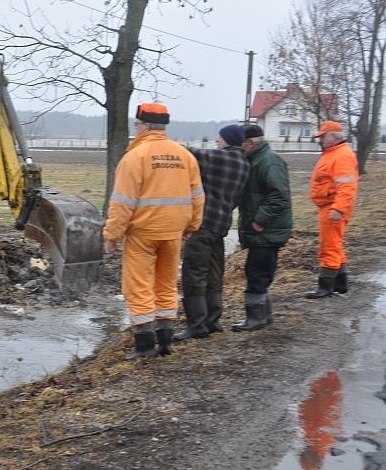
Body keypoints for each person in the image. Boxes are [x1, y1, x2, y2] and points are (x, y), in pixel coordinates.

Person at [103, 103, 204, 359]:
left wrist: (112, 235)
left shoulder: (135, 157)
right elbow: (198, 197)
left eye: (136, 125)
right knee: (166, 284)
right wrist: (191, 226)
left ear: (145, 126)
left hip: (143, 233)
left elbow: (122, 202)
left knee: (139, 287)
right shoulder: (185, 156)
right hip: (173, 232)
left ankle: (145, 346)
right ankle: (166, 341)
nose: (135, 129)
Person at [174, 125, 250, 341]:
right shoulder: (244, 164)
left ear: (227, 139)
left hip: (203, 223)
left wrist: (161, 144)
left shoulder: (219, 159)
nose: (217, 140)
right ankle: (212, 320)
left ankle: (196, 325)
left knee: (194, 272)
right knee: (215, 272)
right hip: (221, 224)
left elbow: (188, 153)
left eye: (220, 137)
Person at [232, 125, 293, 332]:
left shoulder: (268, 161)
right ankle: (263, 316)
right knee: (260, 271)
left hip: (266, 231)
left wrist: (260, 219)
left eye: (241, 144)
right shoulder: (258, 159)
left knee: (257, 271)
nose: (239, 148)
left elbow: (279, 195)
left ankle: (256, 318)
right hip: (266, 231)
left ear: (250, 143)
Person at [305, 120, 358, 299]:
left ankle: (325, 286)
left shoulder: (341, 155)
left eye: (323, 136)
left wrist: (338, 209)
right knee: (335, 244)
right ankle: (340, 284)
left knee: (330, 247)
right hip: (329, 206)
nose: (320, 140)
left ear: (334, 136)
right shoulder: (333, 153)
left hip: (333, 207)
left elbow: (347, 187)